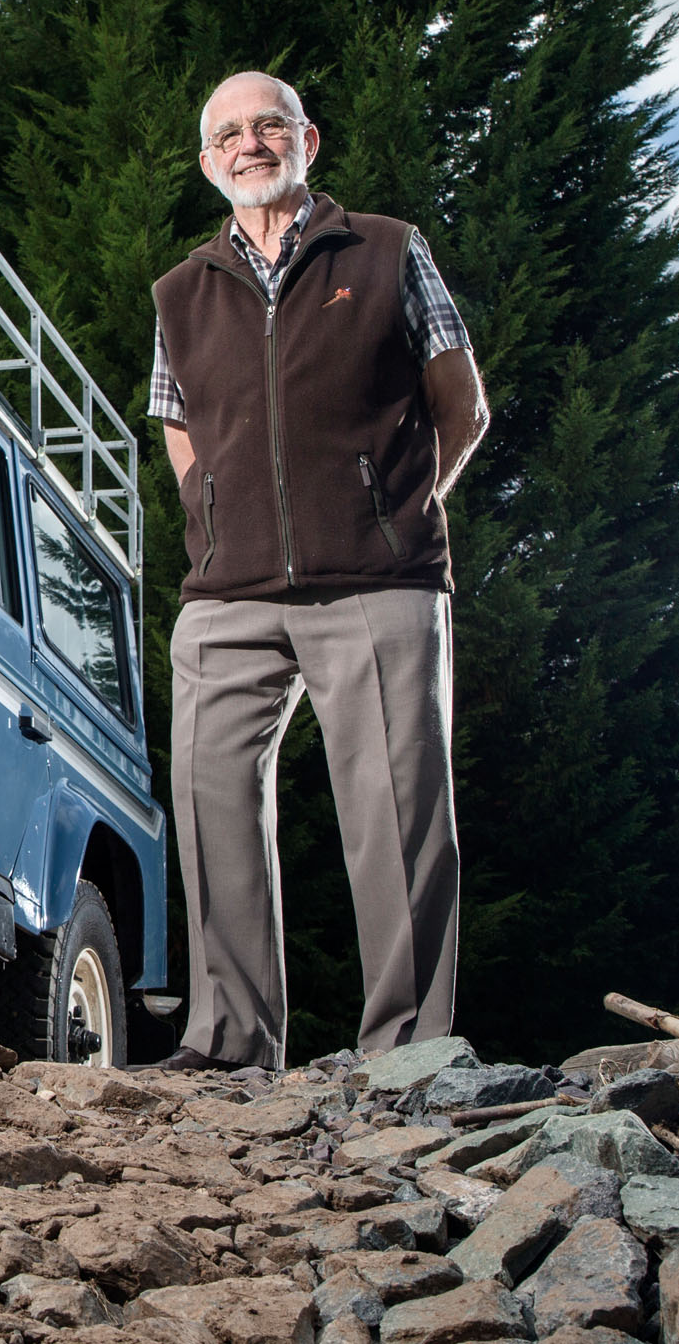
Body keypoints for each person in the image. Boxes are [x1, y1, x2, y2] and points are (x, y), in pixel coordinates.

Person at [144, 71, 490, 1071]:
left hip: (376, 579)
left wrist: (400, 506)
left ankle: (409, 1052)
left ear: (308, 139)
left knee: (396, 812)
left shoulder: (386, 251)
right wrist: (213, 515)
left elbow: (459, 402)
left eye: (270, 124)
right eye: (229, 134)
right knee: (210, 802)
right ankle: (229, 1042)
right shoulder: (181, 292)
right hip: (227, 593)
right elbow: (179, 427)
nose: (251, 144)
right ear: (210, 162)